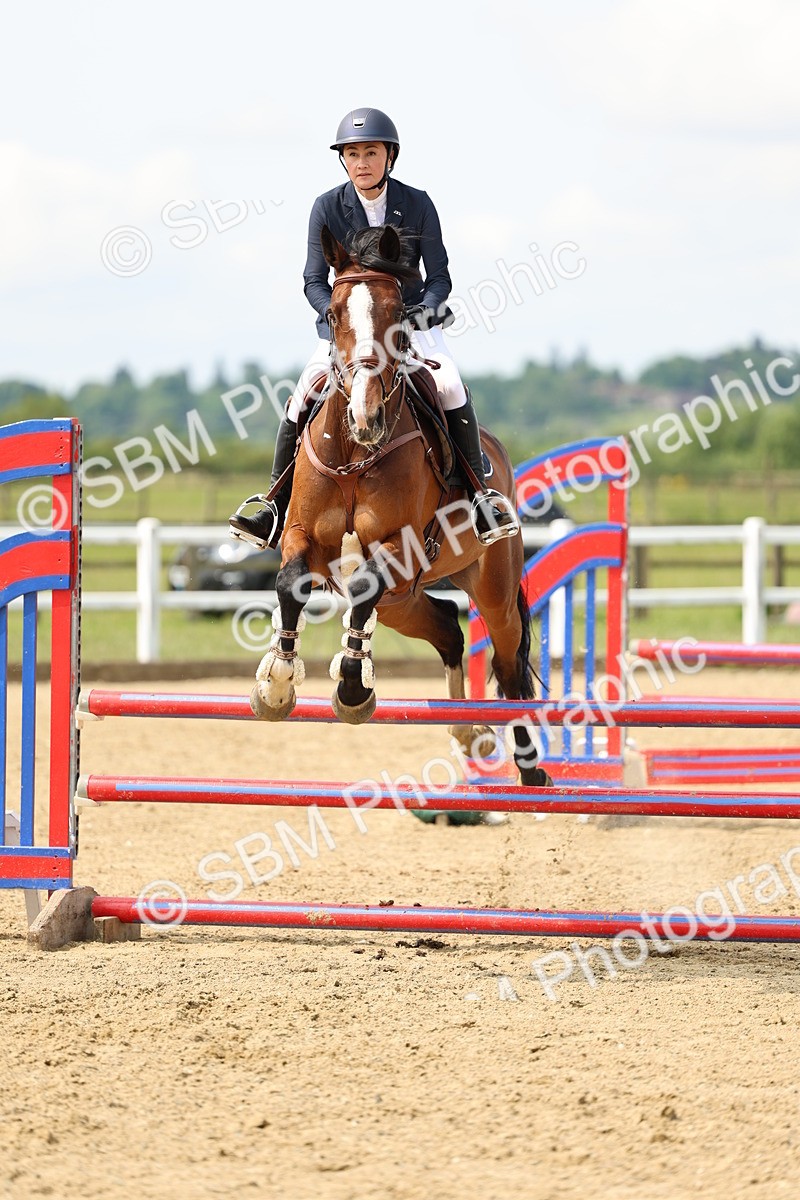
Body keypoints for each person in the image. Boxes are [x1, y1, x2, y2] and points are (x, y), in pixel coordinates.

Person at [229, 106, 519, 550]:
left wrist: (421, 314)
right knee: (302, 394)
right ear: (343, 160)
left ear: (389, 157)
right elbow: (312, 280)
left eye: (370, 152)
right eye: (352, 154)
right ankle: (273, 503)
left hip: (410, 326)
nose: (361, 162)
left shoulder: (417, 203)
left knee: (449, 385)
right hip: (347, 331)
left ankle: (480, 497)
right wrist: (338, 316)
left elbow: (439, 277)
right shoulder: (327, 206)